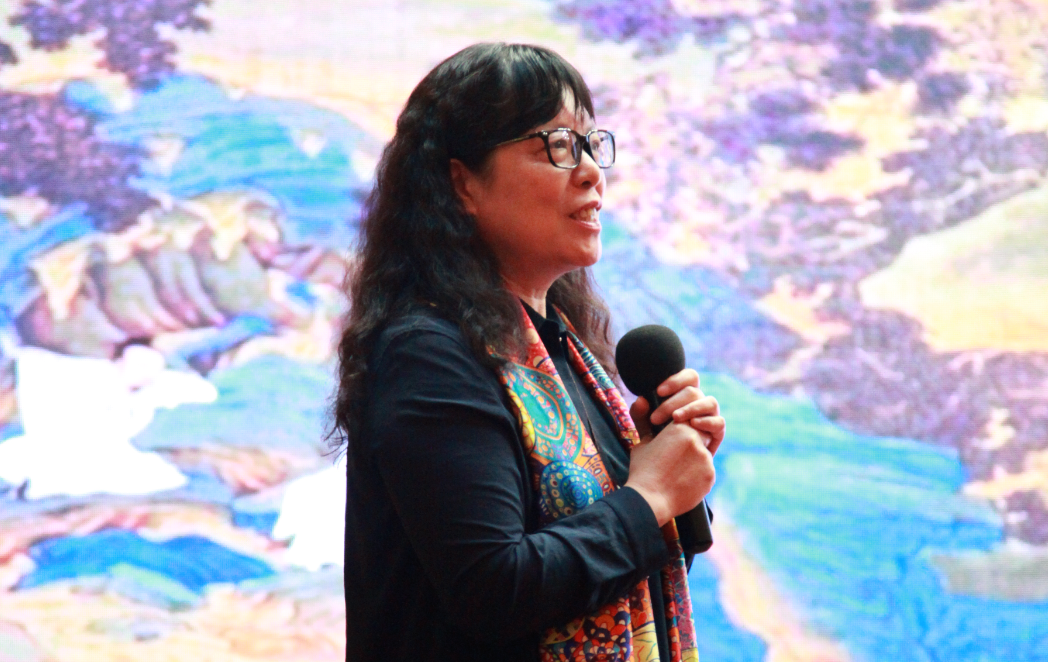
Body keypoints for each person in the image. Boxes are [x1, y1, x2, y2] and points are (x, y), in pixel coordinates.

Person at [334, 43, 725, 662]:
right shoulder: (429, 354)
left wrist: (665, 471)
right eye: (557, 145)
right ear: (462, 183)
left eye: (591, 144)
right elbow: (494, 590)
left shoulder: (567, 354)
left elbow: (612, 582)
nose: (591, 172)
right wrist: (648, 497)